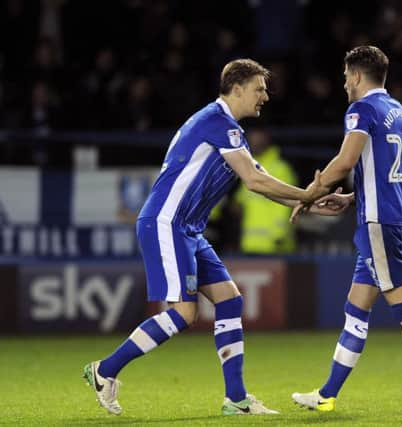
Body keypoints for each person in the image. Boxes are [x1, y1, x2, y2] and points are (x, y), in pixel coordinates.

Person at [83, 58, 329, 416]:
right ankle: (104, 370)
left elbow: (260, 181)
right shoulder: (217, 122)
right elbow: (255, 180)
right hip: (167, 222)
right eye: (260, 89)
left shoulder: (224, 127)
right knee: (184, 312)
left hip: (187, 228)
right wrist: (307, 196)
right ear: (238, 87)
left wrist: (310, 200)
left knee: (229, 300)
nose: (265, 97)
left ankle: (236, 399)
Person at [290, 46, 402, 413]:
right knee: (356, 309)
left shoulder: (361, 110)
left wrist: (309, 195)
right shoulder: (399, 112)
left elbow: (345, 161)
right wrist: (352, 198)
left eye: (344, 76)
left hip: (379, 223)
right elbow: (385, 174)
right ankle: (326, 395)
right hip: (392, 216)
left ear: (355, 75)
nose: (343, 84)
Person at [234, 127, 298, 254]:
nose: (255, 144)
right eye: (252, 140)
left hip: (276, 245)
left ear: (267, 140)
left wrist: (279, 234)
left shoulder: (281, 169)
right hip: (250, 244)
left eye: (258, 140)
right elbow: (241, 200)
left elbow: (286, 205)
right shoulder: (249, 169)